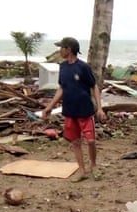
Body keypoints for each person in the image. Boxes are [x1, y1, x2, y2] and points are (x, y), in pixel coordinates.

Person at [42, 37, 107, 182]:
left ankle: (94, 166)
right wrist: (49, 107)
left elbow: (94, 86)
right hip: (70, 111)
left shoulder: (83, 67)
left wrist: (100, 108)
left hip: (85, 110)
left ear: (68, 49)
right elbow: (62, 88)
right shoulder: (63, 67)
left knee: (90, 141)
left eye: (61, 48)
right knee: (75, 142)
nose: (59, 50)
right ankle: (82, 170)